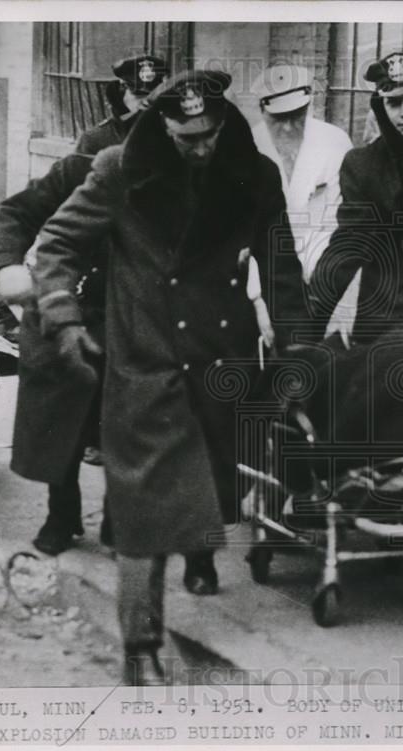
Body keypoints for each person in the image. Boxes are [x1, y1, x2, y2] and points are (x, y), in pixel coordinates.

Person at [32, 70, 306, 684]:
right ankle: (141, 646)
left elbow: (281, 268)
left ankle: (201, 555)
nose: (201, 148)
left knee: (205, 488)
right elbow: (56, 245)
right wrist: (65, 318)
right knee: (141, 513)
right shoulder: (117, 170)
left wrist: (299, 350)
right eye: (186, 139)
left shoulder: (254, 175)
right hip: (144, 365)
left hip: (220, 364)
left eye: (210, 134)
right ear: (162, 127)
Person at [0, 55, 168, 556]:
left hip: (128, 312)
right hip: (68, 301)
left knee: (123, 423)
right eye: (140, 105)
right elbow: (15, 213)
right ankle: (61, 514)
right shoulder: (86, 161)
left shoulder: (178, 170)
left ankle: (116, 516)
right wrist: (7, 267)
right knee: (58, 416)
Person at [309, 52, 403, 344]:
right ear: (381, 106)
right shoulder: (363, 165)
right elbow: (347, 247)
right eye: (393, 103)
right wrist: (306, 325)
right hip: (388, 318)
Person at [250, 64, 354, 335]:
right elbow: (243, 234)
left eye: (296, 117)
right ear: (262, 111)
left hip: (322, 276)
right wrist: (259, 298)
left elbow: (340, 225)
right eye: (278, 119)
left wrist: (318, 289)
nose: (287, 128)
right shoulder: (248, 147)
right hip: (263, 280)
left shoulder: (334, 142)